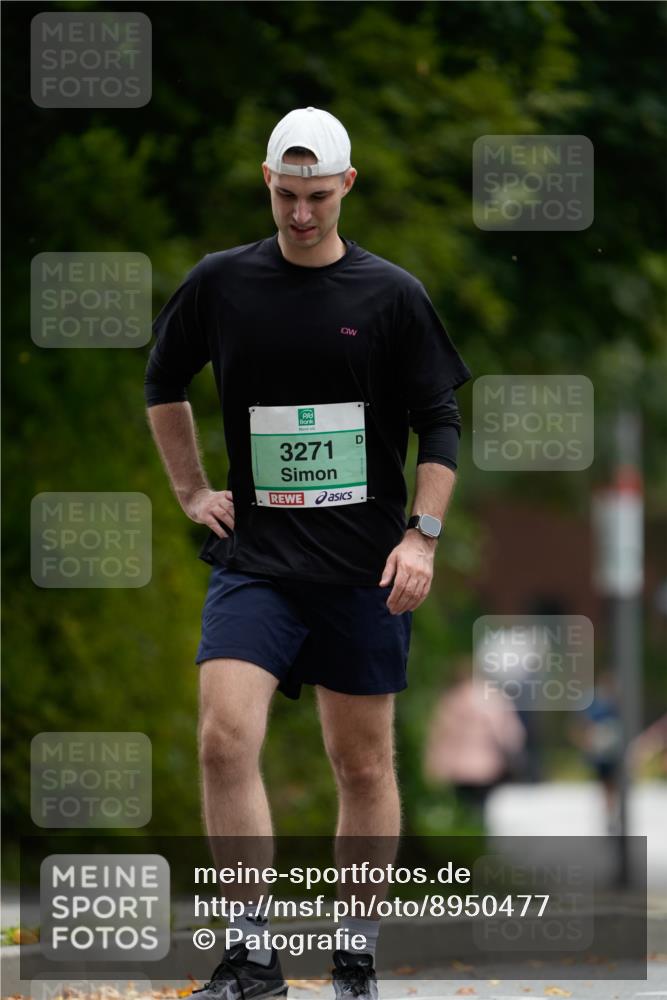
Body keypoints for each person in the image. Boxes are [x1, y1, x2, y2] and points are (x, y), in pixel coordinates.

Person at [144, 107, 471, 1000]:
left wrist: (422, 535)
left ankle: (354, 949)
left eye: (316, 197)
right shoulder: (221, 284)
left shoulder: (391, 295)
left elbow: (440, 422)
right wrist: (190, 489)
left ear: (346, 188)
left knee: (361, 764)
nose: (299, 215)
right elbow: (163, 378)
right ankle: (250, 955)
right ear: (267, 184)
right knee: (222, 739)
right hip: (256, 562)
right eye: (286, 196)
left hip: (364, 568)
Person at [423, 659, 525, 821]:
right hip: (488, 766)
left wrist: (435, 767)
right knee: (486, 809)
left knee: (463, 810)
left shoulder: (450, 700)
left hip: (458, 769)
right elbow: (510, 731)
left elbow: (439, 735)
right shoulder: (493, 697)